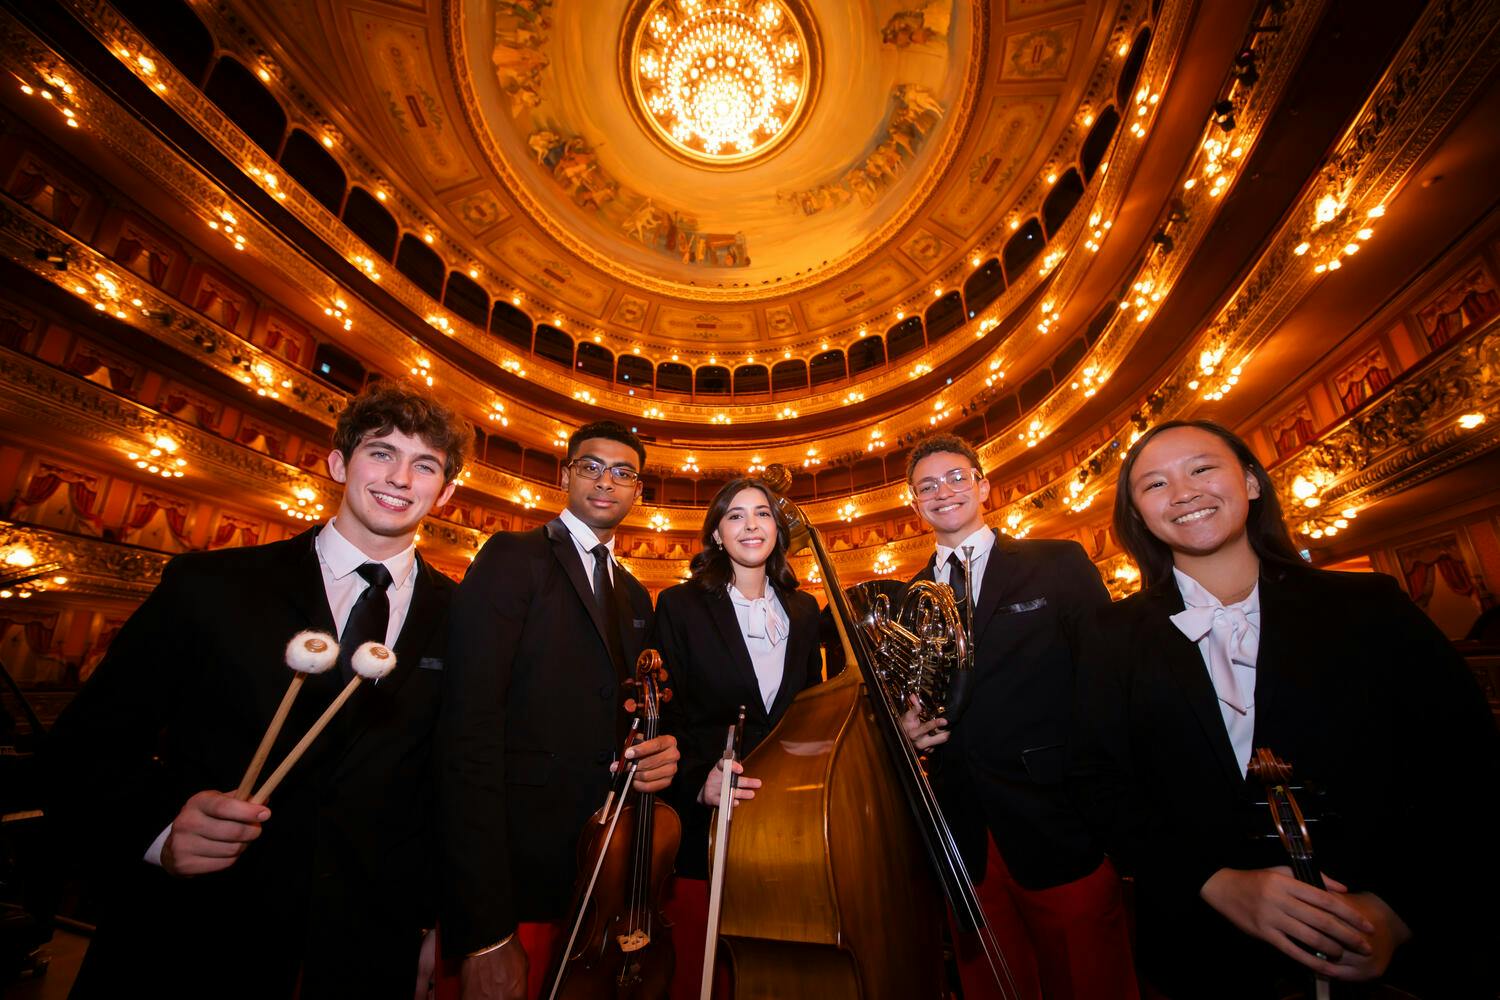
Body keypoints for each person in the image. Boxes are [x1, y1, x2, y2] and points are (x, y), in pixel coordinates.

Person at [41, 381, 472, 998]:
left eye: (424, 464)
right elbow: (82, 749)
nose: (400, 477)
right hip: (194, 932)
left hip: (367, 945)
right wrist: (160, 832)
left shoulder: (467, 621)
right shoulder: (210, 586)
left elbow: (453, 784)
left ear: (447, 491)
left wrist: (443, 921)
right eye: (381, 452)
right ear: (338, 462)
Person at [1071, 420, 1499, 997]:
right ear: (1138, 516)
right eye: (1154, 485)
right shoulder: (1109, 634)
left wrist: (1398, 914)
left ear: (1250, 482)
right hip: (1202, 954)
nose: (1183, 492)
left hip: (1394, 950)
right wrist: (1215, 883)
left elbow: (1466, 767)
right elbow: (1099, 783)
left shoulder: (1370, 606)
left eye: (1201, 469)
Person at [439, 420, 679, 1000]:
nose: (606, 482)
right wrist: (484, 931)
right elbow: (466, 730)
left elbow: (617, 708)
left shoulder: (634, 591)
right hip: (515, 866)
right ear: (565, 474)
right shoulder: (511, 555)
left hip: (601, 864)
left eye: (623, 473)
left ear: (638, 492)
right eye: (591, 466)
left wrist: (653, 749)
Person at [898, 432, 1136, 1000]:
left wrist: (1107, 815)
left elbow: (1106, 687)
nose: (943, 492)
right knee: (994, 986)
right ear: (915, 504)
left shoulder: (1056, 563)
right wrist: (904, 732)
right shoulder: (908, 597)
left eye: (957, 477)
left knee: (1092, 981)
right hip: (961, 831)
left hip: (1060, 819)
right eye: (926, 486)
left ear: (983, 485)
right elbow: (909, 704)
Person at [651, 478, 826, 998]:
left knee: (781, 966)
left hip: (789, 814)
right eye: (735, 515)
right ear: (716, 534)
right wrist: (696, 780)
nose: (751, 524)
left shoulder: (804, 609)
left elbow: (808, 706)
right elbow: (670, 713)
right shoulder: (679, 605)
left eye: (763, 514)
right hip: (710, 812)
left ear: (778, 529)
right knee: (703, 968)